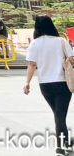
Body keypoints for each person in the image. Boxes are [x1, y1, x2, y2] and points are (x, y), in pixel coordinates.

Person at [24, 15, 74, 155]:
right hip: (63, 83)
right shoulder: (61, 41)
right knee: (60, 115)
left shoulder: (35, 43)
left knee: (58, 114)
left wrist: (27, 83)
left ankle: (66, 141)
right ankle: (60, 146)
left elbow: (32, 64)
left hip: (45, 85)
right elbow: (71, 60)